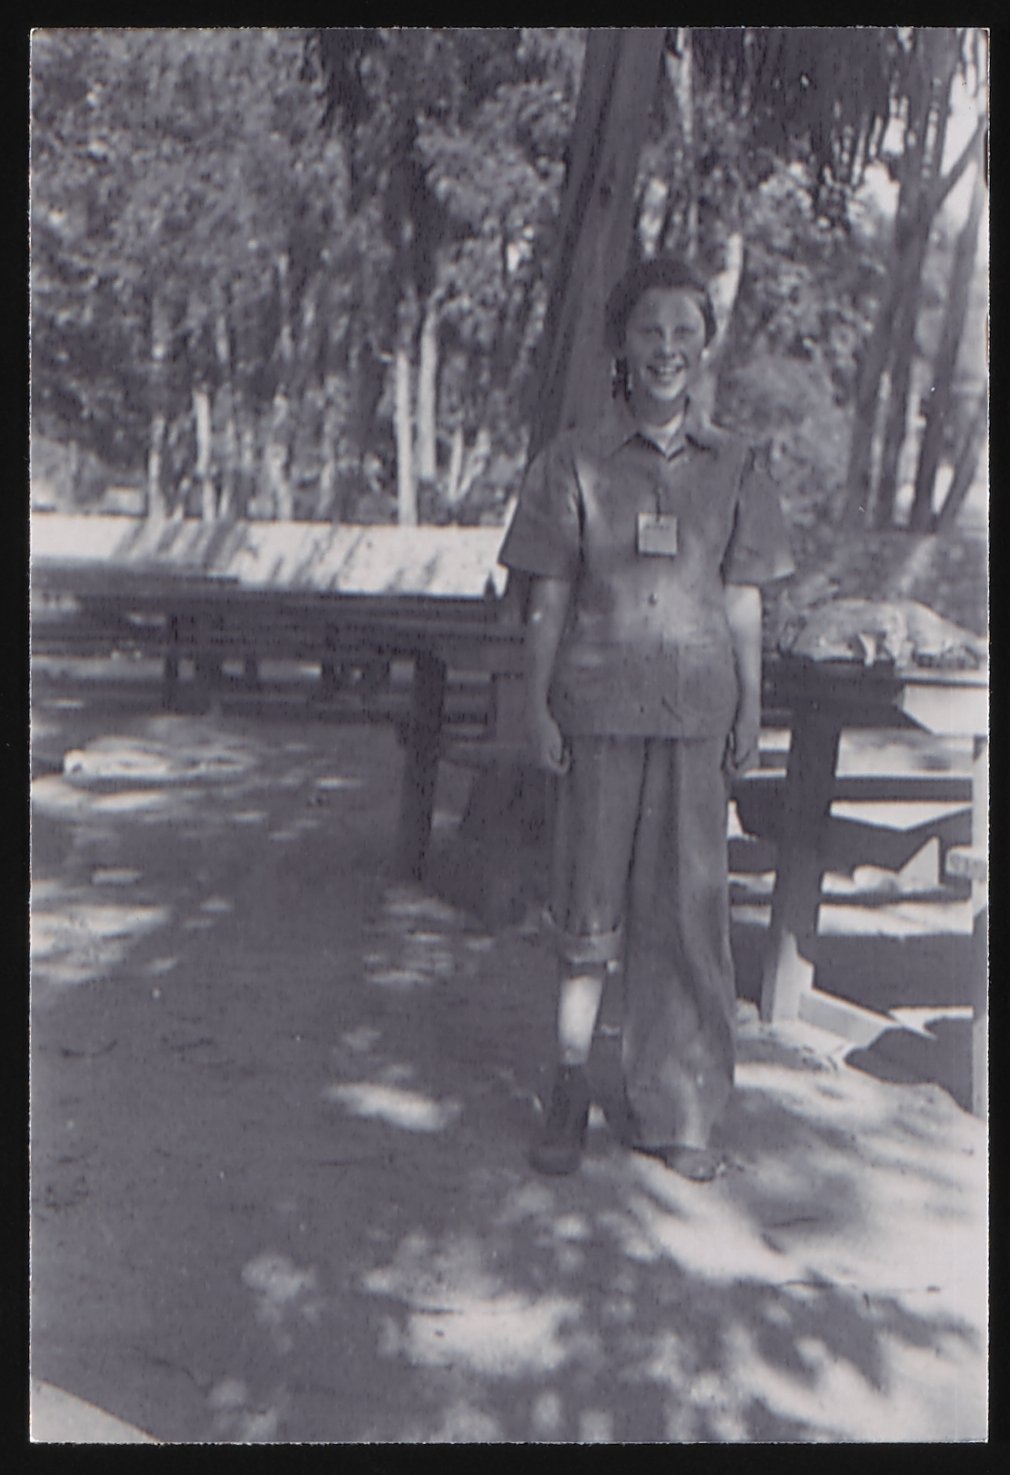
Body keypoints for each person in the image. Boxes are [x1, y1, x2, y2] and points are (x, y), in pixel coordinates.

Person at [498, 256, 794, 1181]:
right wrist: (538, 705)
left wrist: (751, 706)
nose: (667, 349)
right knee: (587, 907)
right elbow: (546, 599)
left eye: (684, 333)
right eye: (649, 331)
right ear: (620, 344)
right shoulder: (573, 461)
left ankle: (679, 1109)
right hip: (597, 714)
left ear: (705, 347)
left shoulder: (737, 465)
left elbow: (743, 600)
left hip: (696, 719)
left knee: (687, 917)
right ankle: (569, 1086)